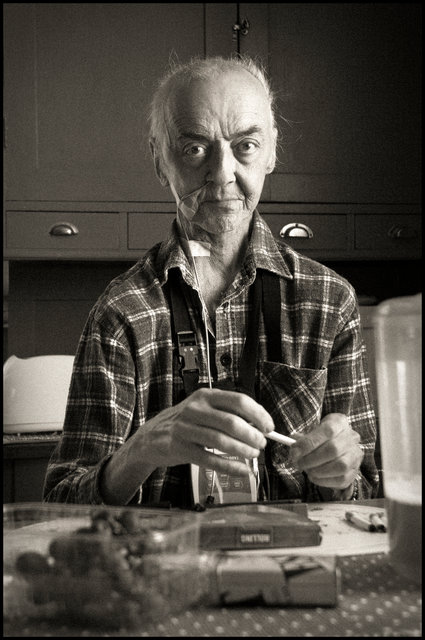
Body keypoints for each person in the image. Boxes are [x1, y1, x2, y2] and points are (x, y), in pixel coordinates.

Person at [43, 56, 379, 507]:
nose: (222, 173)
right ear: (160, 161)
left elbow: (368, 497)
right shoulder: (121, 314)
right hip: (164, 555)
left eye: (246, 146)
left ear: (271, 152)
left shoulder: (331, 302)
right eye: (195, 149)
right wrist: (142, 449)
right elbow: (62, 505)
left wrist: (341, 475)